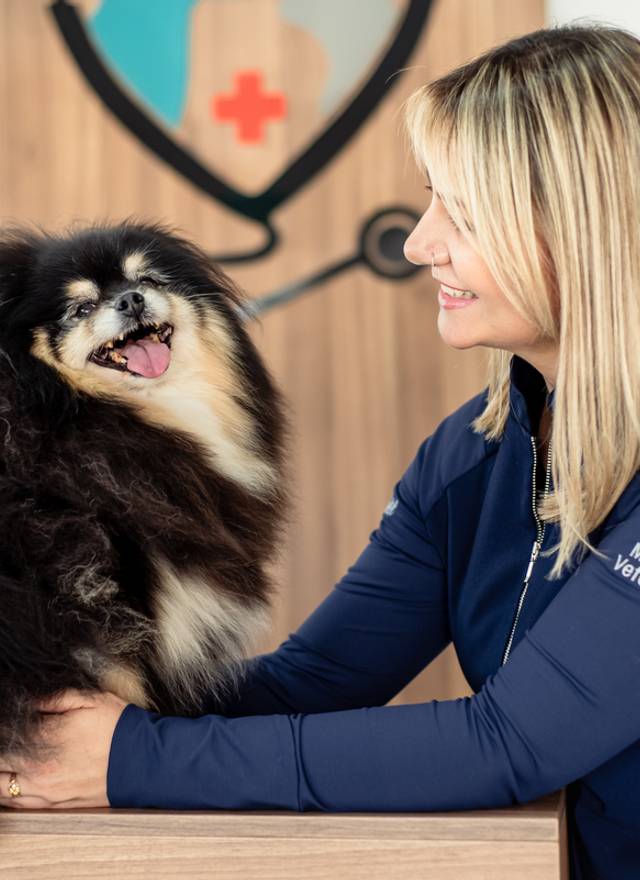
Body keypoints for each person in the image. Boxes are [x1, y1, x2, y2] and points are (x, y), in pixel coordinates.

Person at [1, 20, 639, 880]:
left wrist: (130, 759)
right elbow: (315, 679)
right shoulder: (473, 453)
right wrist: (55, 729)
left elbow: (509, 742)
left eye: (466, 212)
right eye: (428, 199)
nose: (421, 243)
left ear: (589, 226)